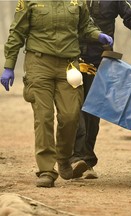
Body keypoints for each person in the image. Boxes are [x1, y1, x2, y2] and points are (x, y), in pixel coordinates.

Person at [0, 0, 113, 188]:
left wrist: (98, 35)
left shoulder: (77, 1)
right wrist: (9, 65)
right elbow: (17, 32)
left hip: (68, 65)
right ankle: (46, 170)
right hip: (39, 63)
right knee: (44, 117)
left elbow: (85, 26)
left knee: (71, 115)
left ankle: (64, 158)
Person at [70, 0, 131, 179]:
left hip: (99, 61)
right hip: (71, 58)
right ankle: (74, 157)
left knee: (92, 112)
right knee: (73, 110)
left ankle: (87, 162)